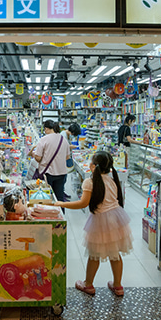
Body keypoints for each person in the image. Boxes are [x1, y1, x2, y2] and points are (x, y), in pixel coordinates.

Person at [55, 151, 133, 296]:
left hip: (100, 221)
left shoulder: (90, 182)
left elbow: (82, 203)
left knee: (94, 254)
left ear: (93, 166)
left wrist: (62, 204)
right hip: (116, 218)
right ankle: (118, 286)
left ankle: (88, 284)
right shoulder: (112, 179)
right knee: (115, 254)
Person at [31, 120, 71, 203]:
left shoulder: (44, 139)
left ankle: (49, 214)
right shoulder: (63, 139)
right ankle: (61, 213)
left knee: (46, 198)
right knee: (59, 198)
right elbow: (67, 157)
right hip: (61, 173)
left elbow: (38, 158)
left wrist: (33, 154)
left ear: (46, 128)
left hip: (47, 174)